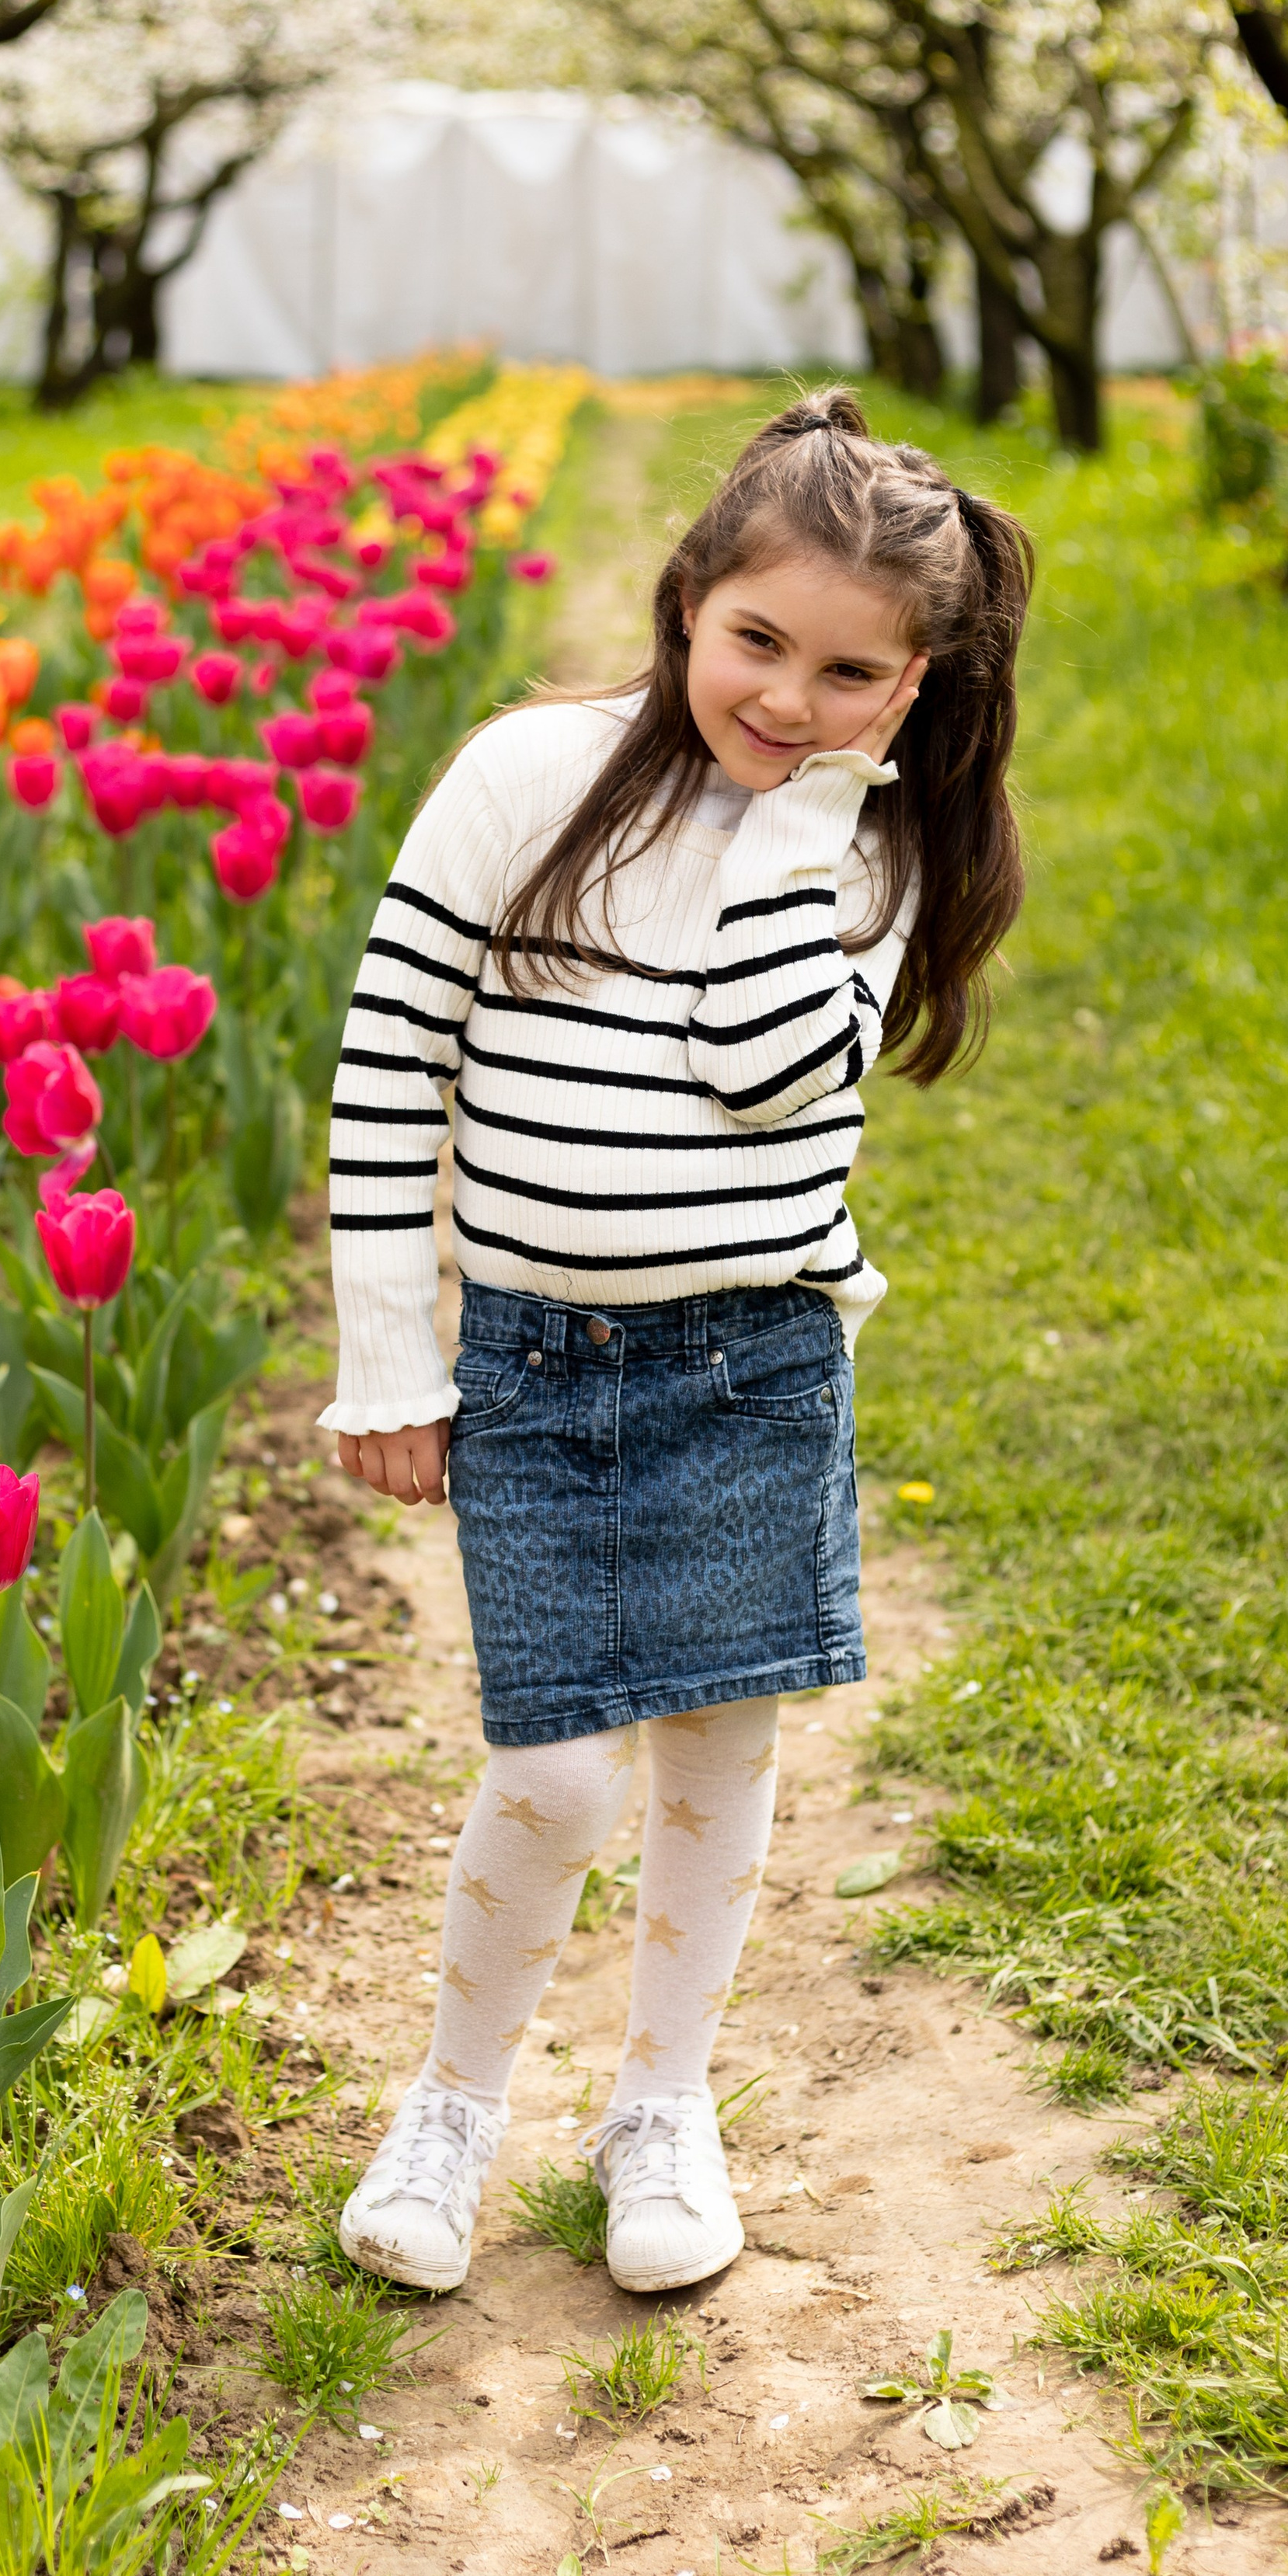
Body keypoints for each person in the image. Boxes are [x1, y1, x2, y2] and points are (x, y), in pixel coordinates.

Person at [321, 387, 1032, 2296]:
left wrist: (792, 827)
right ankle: (453, 2105)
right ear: (686, 595)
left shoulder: (859, 862)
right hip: (538, 1365)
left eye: (848, 674)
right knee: (552, 1773)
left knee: (720, 1747)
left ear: (913, 688)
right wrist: (391, 1357)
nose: (789, 697)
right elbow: (390, 1065)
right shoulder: (522, 781)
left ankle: (663, 2101)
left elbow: (752, 1067)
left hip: (750, 1359)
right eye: (757, 643)